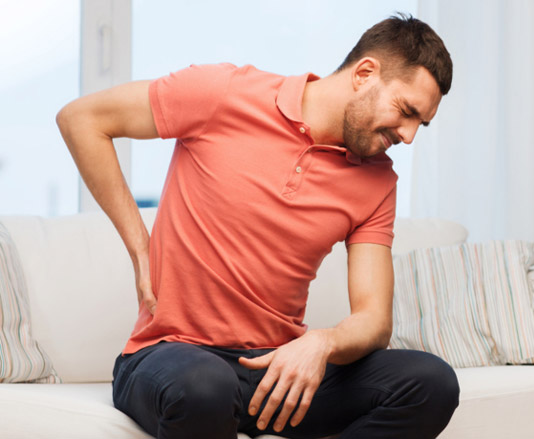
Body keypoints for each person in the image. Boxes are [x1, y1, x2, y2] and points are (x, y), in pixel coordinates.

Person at [57, 13, 459, 439]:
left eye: (421, 123)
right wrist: (141, 247)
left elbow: (374, 320)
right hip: (172, 356)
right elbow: (81, 120)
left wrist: (321, 343)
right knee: (205, 386)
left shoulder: (378, 181)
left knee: (430, 383)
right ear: (364, 74)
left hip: (274, 374)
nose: (409, 136)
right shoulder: (223, 93)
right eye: (406, 111)